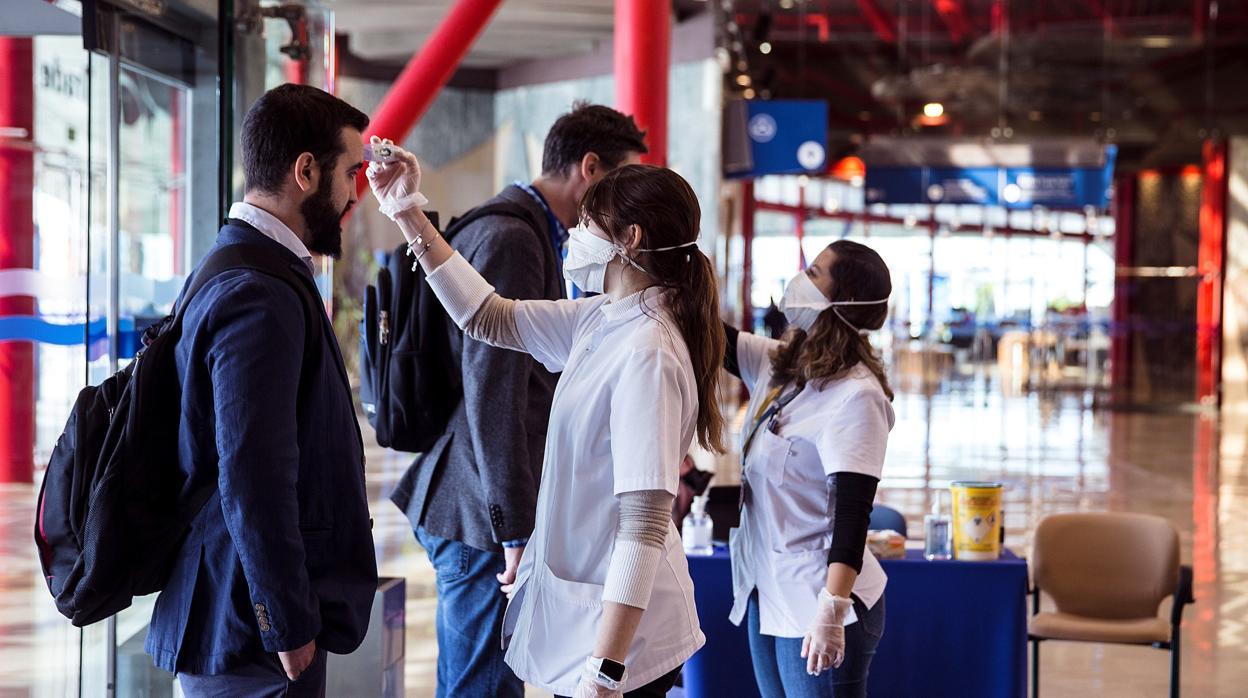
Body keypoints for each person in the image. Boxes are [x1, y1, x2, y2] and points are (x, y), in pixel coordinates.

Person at [370, 153, 722, 697]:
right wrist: (409, 214)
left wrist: (605, 673)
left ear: (628, 238)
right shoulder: (602, 317)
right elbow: (487, 316)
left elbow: (644, 524)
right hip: (593, 616)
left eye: (587, 223)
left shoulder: (648, 350)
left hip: (625, 642)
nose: (576, 233)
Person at [386, 102, 648, 698]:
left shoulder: (523, 228)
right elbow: (493, 388)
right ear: (589, 169)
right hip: (480, 510)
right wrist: (512, 527)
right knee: (484, 687)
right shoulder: (512, 237)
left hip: (475, 497)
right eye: (623, 184)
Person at [144, 84, 378, 697]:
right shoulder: (258, 291)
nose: (354, 194)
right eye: (350, 172)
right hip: (250, 633)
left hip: (243, 615)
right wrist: (288, 625)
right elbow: (253, 469)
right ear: (306, 171)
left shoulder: (238, 264)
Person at [723, 240, 895, 698]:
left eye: (815, 272)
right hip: (769, 587)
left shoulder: (857, 396)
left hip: (824, 598)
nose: (801, 276)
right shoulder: (784, 364)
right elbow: (712, 338)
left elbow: (854, 515)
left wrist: (831, 610)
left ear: (841, 300)